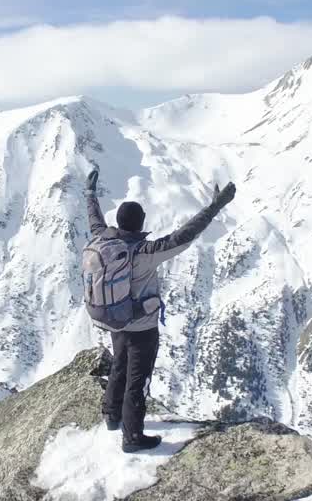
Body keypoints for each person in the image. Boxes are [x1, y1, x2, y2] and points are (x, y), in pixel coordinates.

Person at [83, 168, 236, 452]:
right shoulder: (146, 253)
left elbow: (93, 218)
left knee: (119, 363)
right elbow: (185, 235)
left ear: (118, 222)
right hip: (141, 325)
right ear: (140, 224)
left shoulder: (102, 239)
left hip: (115, 321)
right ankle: (132, 438)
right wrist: (215, 207)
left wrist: (89, 193)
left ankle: (111, 415)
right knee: (137, 380)